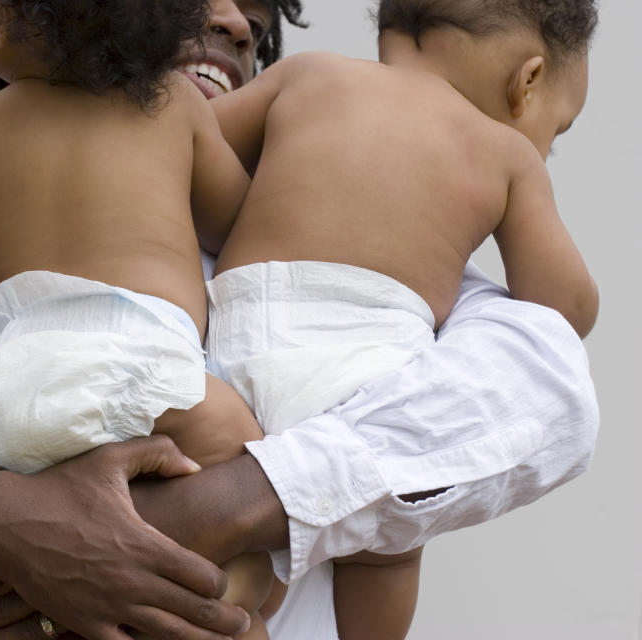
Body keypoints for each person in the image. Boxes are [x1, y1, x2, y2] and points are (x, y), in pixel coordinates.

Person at [0, 2, 597, 640]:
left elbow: (542, 395)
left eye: (257, 8)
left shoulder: (408, 271)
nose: (236, 17)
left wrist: (143, 529)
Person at [205, 0, 598, 636]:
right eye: (558, 129)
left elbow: (178, 151)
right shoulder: (504, 153)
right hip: (365, 379)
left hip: (234, 355)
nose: (545, 147)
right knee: (387, 551)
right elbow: (564, 309)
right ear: (527, 80)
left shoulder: (306, 77)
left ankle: (242, 606)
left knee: (232, 565)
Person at [0, 0, 272, 636]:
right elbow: (235, 221)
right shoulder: (173, 100)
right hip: (144, 362)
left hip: (14, 382)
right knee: (259, 492)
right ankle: (233, 615)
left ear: (1, 23)